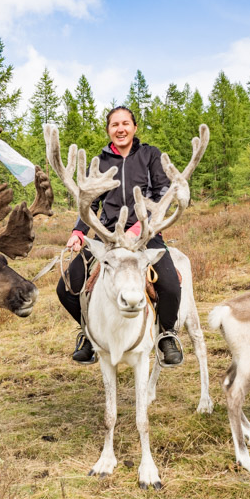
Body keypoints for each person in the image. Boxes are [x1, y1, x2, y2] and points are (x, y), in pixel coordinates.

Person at [56, 106, 182, 365]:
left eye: (125, 123)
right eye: (115, 125)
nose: (120, 129)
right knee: (67, 286)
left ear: (135, 127)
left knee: (169, 285)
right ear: (109, 130)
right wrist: (79, 232)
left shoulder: (150, 156)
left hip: (145, 236)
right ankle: (89, 334)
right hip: (107, 236)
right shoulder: (100, 162)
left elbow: (163, 194)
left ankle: (166, 335)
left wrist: (140, 227)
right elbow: (88, 202)